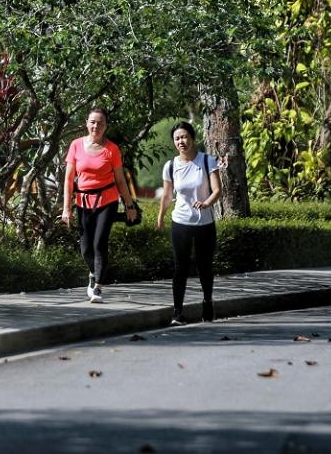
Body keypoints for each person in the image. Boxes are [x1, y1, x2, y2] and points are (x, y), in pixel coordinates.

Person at [61, 108, 138, 303]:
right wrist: (66, 208)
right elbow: (69, 180)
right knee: (86, 247)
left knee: (99, 243)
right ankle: (93, 274)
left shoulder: (112, 149)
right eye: (93, 122)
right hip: (83, 201)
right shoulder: (76, 145)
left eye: (100, 123)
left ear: (106, 126)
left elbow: (120, 180)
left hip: (107, 200)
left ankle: (97, 288)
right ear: (86, 123)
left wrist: (130, 206)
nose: (96, 126)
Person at [155, 121, 222, 325]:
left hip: (205, 223)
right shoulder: (171, 165)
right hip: (181, 221)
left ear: (192, 138)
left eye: (184, 137)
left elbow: (217, 190)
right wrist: (160, 217)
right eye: (177, 138)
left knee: (204, 266)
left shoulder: (207, 160)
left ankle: (207, 303)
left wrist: (206, 203)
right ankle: (177, 312)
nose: (181, 141)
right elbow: (167, 196)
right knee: (180, 268)